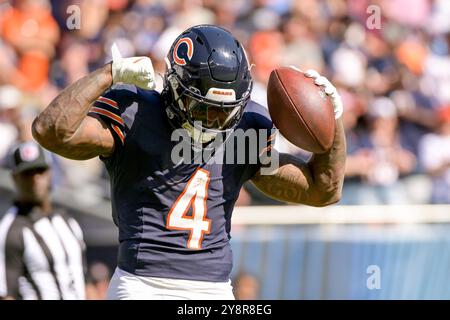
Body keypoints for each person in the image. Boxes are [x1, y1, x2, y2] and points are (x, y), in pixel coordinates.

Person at [32, 25, 346, 300]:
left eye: (224, 110)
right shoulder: (138, 114)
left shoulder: (246, 129)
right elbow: (51, 131)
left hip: (215, 289)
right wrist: (108, 74)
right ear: (175, 87)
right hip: (143, 286)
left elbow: (324, 191)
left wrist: (333, 120)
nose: (214, 120)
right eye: (203, 108)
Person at [0, 141, 86, 300]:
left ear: (50, 172)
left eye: (39, 170)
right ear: (14, 178)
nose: (35, 179)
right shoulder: (10, 230)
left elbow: (82, 278)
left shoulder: (67, 221)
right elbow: (6, 294)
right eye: (27, 173)